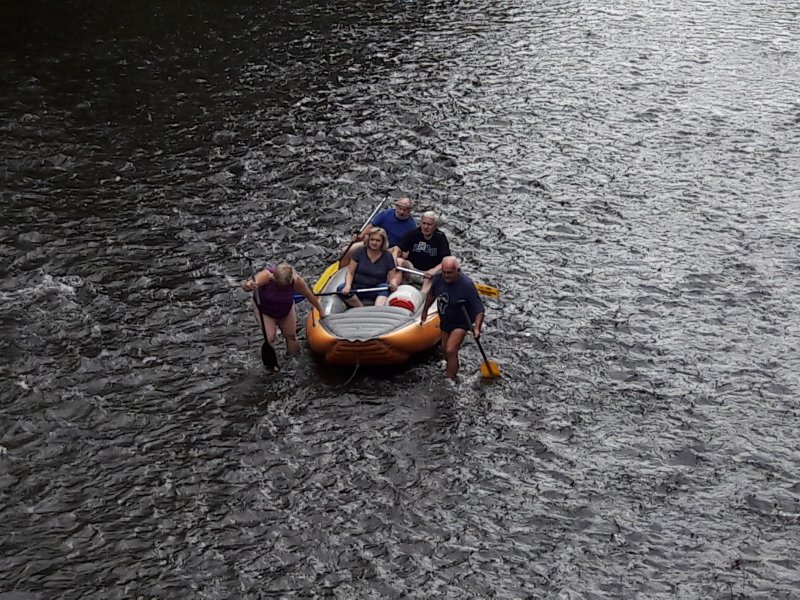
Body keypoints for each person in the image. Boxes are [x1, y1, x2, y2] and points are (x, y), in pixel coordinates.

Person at [420, 256, 485, 380]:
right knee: (445, 349)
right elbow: (431, 295)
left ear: (457, 271)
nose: (446, 276)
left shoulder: (466, 285)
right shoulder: (438, 278)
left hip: (461, 322)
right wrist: (425, 311)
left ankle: (451, 379)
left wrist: (477, 328)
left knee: (450, 349)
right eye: (444, 272)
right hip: (446, 319)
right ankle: (454, 365)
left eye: (449, 273)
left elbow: (479, 309)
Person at [242, 262, 325, 355]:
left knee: (291, 336)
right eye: (280, 284)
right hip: (265, 310)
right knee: (270, 337)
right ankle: (269, 362)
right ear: (274, 278)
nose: (282, 287)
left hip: (285, 308)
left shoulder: (296, 281)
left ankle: (294, 360)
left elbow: (309, 295)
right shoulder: (266, 275)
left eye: (285, 285)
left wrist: (321, 310)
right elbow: (247, 286)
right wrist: (248, 285)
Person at [340, 197, 417, 267]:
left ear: (409, 211)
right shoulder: (386, 214)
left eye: (405, 210)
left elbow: (409, 246)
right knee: (346, 250)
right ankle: (340, 270)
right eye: (400, 209)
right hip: (374, 242)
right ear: (396, 207)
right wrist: (360, 237)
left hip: (390, 250)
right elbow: (371, 226)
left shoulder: (412, 226)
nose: (401, 212)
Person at [339, 227, 399, 307]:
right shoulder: (359, 253)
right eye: (372, 240)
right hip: (358, 286)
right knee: (340, 288)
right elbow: (350, 272)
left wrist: (393, 283)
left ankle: (378, 309)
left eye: (378, 241)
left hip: (376, 288)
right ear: (368, 240)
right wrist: (348, 286)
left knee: (384, 287)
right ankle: (361, 308)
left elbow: (392, 277)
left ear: (382, 242)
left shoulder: (387, 256)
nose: (374, 243)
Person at [394, 211, 451, 294]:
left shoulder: (440, 238)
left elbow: (447, 259)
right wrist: (394, 257)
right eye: (424, 223)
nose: (425, 227)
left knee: (438, 273)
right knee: (399, 261)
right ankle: (396, 286)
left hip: (429, 274)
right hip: (413, 269)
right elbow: (398, 248)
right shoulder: (414, 234)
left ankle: (422, 295)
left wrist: (434, 270)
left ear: (435, 226)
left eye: (429, 224)